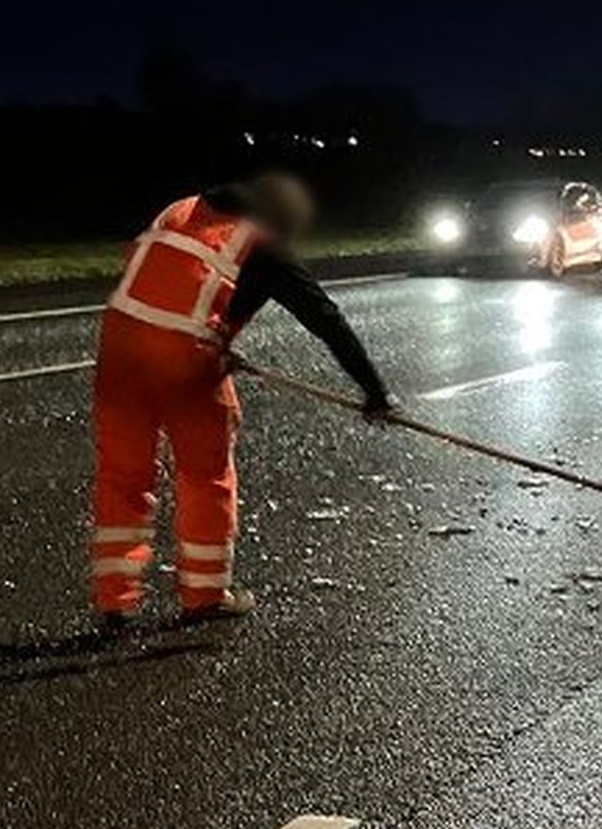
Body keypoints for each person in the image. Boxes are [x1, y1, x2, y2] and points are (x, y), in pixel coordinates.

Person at [89, 171, 391, 626]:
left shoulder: (182, 208)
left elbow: (172, 286)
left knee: (123, 478)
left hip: (117, 350)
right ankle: (205, 597)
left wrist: (218, 340)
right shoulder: (262, 243)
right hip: (183, 365)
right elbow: (323, 317)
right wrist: (374, 391)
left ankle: (115, 600)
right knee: (205, 476)